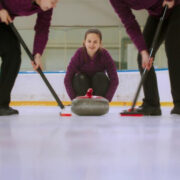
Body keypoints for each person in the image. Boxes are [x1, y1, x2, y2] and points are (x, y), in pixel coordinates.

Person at [109, 0, 180, 115]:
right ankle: (152, 104)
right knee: (143, 57)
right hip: (157, 14)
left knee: (173, 48)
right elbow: (129, 23)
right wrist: (143, 51)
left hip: (177, 7)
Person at [0, 0, 59, 116]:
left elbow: (42, 28)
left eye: (56, 2)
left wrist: (37, 54)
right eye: (52, 1)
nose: (54, 5)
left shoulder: (46, 8)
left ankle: (1, 104)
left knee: (13, 55)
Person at [64, 29, 119, 102]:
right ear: (84, 42)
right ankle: (82, 101)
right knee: (79, 77)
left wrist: (107, 100)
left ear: (100, 43)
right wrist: (73, 100)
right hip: (82, 86)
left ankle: (99, 102)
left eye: (95, 42)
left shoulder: (105, 55)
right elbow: (67, 79)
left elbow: (114, 80)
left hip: (98, 87)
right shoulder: (79, 54)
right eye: (89, 41)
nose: (92, 44)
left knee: (100, 76)